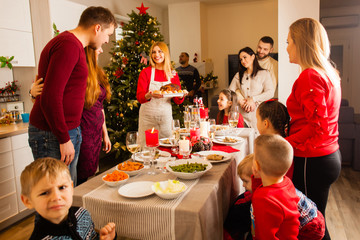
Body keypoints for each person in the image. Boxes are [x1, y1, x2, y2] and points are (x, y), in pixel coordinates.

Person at [28, 6, 116, 185]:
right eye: (108, 34)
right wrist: (64, 137)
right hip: (53, 134)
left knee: (67, 196)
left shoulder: (73, 45)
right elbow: (50, 97)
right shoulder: (68, 45)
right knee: (55, 202)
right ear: (97, 28)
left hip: (66, 131)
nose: (107, 41)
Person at [285, 18, 342, 240]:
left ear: (301, 43)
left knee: (310, 225)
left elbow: (317, 128)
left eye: (289, 41)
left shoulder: (310, 75)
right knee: (317, 220)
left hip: (312, 159)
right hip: (327, 156)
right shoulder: (328, 73)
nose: (287, 47)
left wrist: (283, 144)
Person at [20, 158, 116, 240]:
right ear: (27, 201)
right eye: (44, 193)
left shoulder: (83, 214)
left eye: (62, 188)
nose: (56, 197)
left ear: (71, 187)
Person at [251, 134, 300, 239]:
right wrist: (256, 178)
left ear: (256, 165)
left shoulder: (263, 199)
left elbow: (265, 236)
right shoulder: (287, 183)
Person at [136, 42, 185, 146]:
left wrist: (180, 96)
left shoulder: (172, 74)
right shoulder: (146, 72)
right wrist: (150, 95)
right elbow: (140, 97)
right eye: (153, 52)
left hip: (165, 118)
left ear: (165, 53)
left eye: (160, 51)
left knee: (166, 146)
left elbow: (177, 100)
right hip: (147, 118)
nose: (156, 55)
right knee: (147, 147)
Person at [228, 47, 274, 133]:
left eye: (245, 57)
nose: (243, 61)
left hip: (257, 116)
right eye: (241, 59)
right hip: (241, 117)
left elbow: (270, 92)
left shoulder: (264, 73)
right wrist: (240, 100)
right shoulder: (238, 75)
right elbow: (230, 92)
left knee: (257, 142)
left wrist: (253, 99)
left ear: (253, 57)